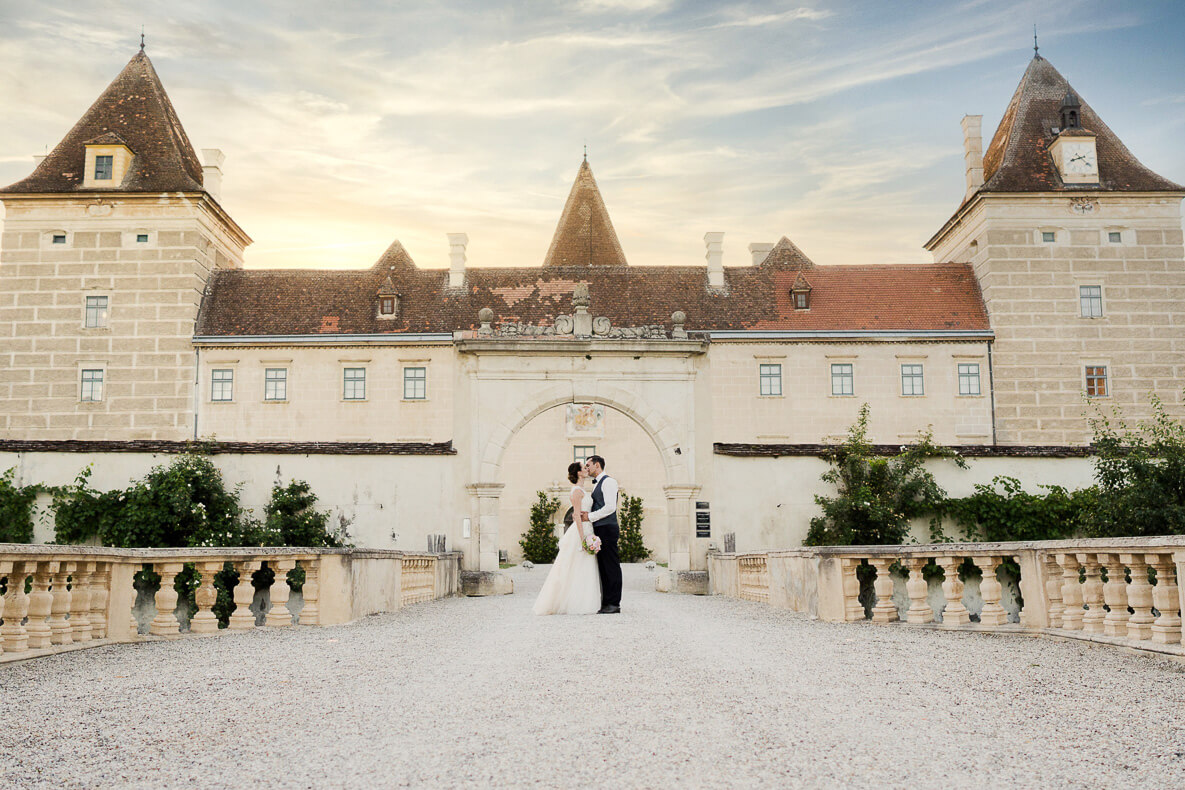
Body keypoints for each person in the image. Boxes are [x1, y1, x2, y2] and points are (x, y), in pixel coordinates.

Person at [532, 462, 602, 615]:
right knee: (575, 564)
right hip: (581, 531)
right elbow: (576, 514)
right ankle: (573, 602)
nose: (586, 469)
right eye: (584, 468)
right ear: (578, 473)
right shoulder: (576, 491)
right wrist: (583, 537)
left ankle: (585, 600)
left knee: (585, 565)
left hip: (589, 528)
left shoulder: (583, 489)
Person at [581, 455, 621, 614]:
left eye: (588, 465)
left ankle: (614, 603)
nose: (587, 468)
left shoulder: (609, 482)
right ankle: (606, 602)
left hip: (608, 528)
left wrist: (589, 517)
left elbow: (610, 507)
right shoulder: (598, 483)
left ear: (597, 465)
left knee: (611, 566)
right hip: (600, 528)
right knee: (603, 566)